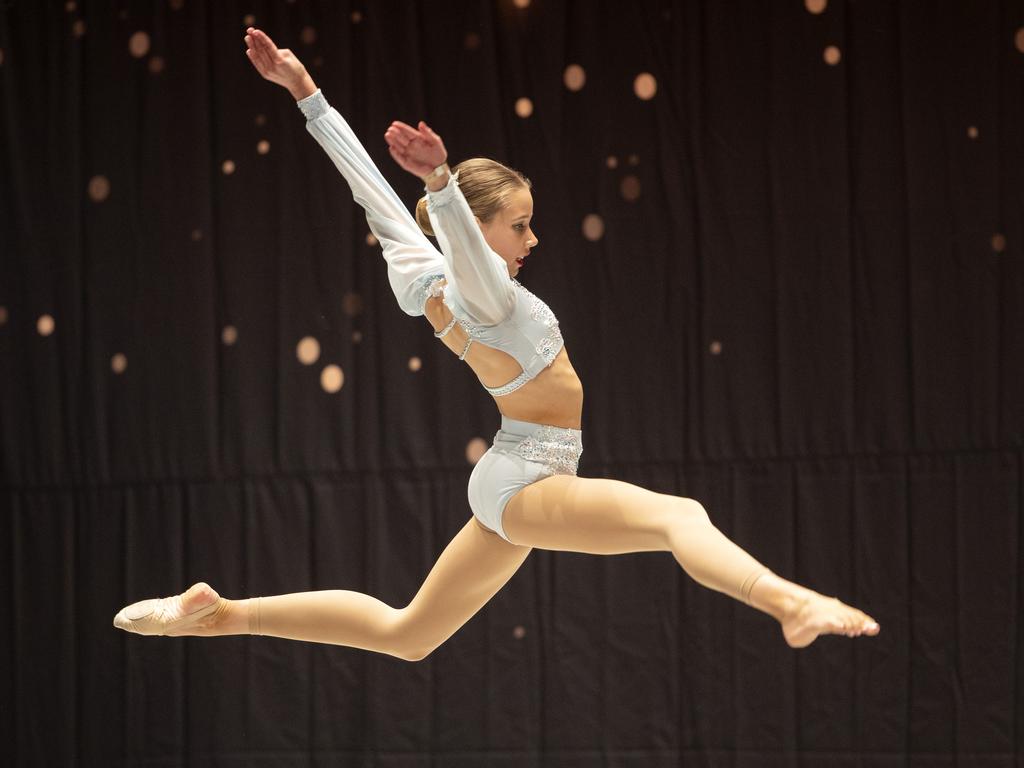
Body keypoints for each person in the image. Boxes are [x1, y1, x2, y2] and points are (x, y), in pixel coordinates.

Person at [113, 28, 879, 657]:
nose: (532, 237)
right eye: (519, 224)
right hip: (527, 477)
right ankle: (790, 604)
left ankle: (221, 614)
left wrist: (306, 94)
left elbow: (369, 188)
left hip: (516, 469)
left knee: (409, 635)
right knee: (679, 515)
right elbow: (458, 236)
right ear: (478, 230)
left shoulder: (420, 269)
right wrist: (442, 180)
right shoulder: (484, 290)